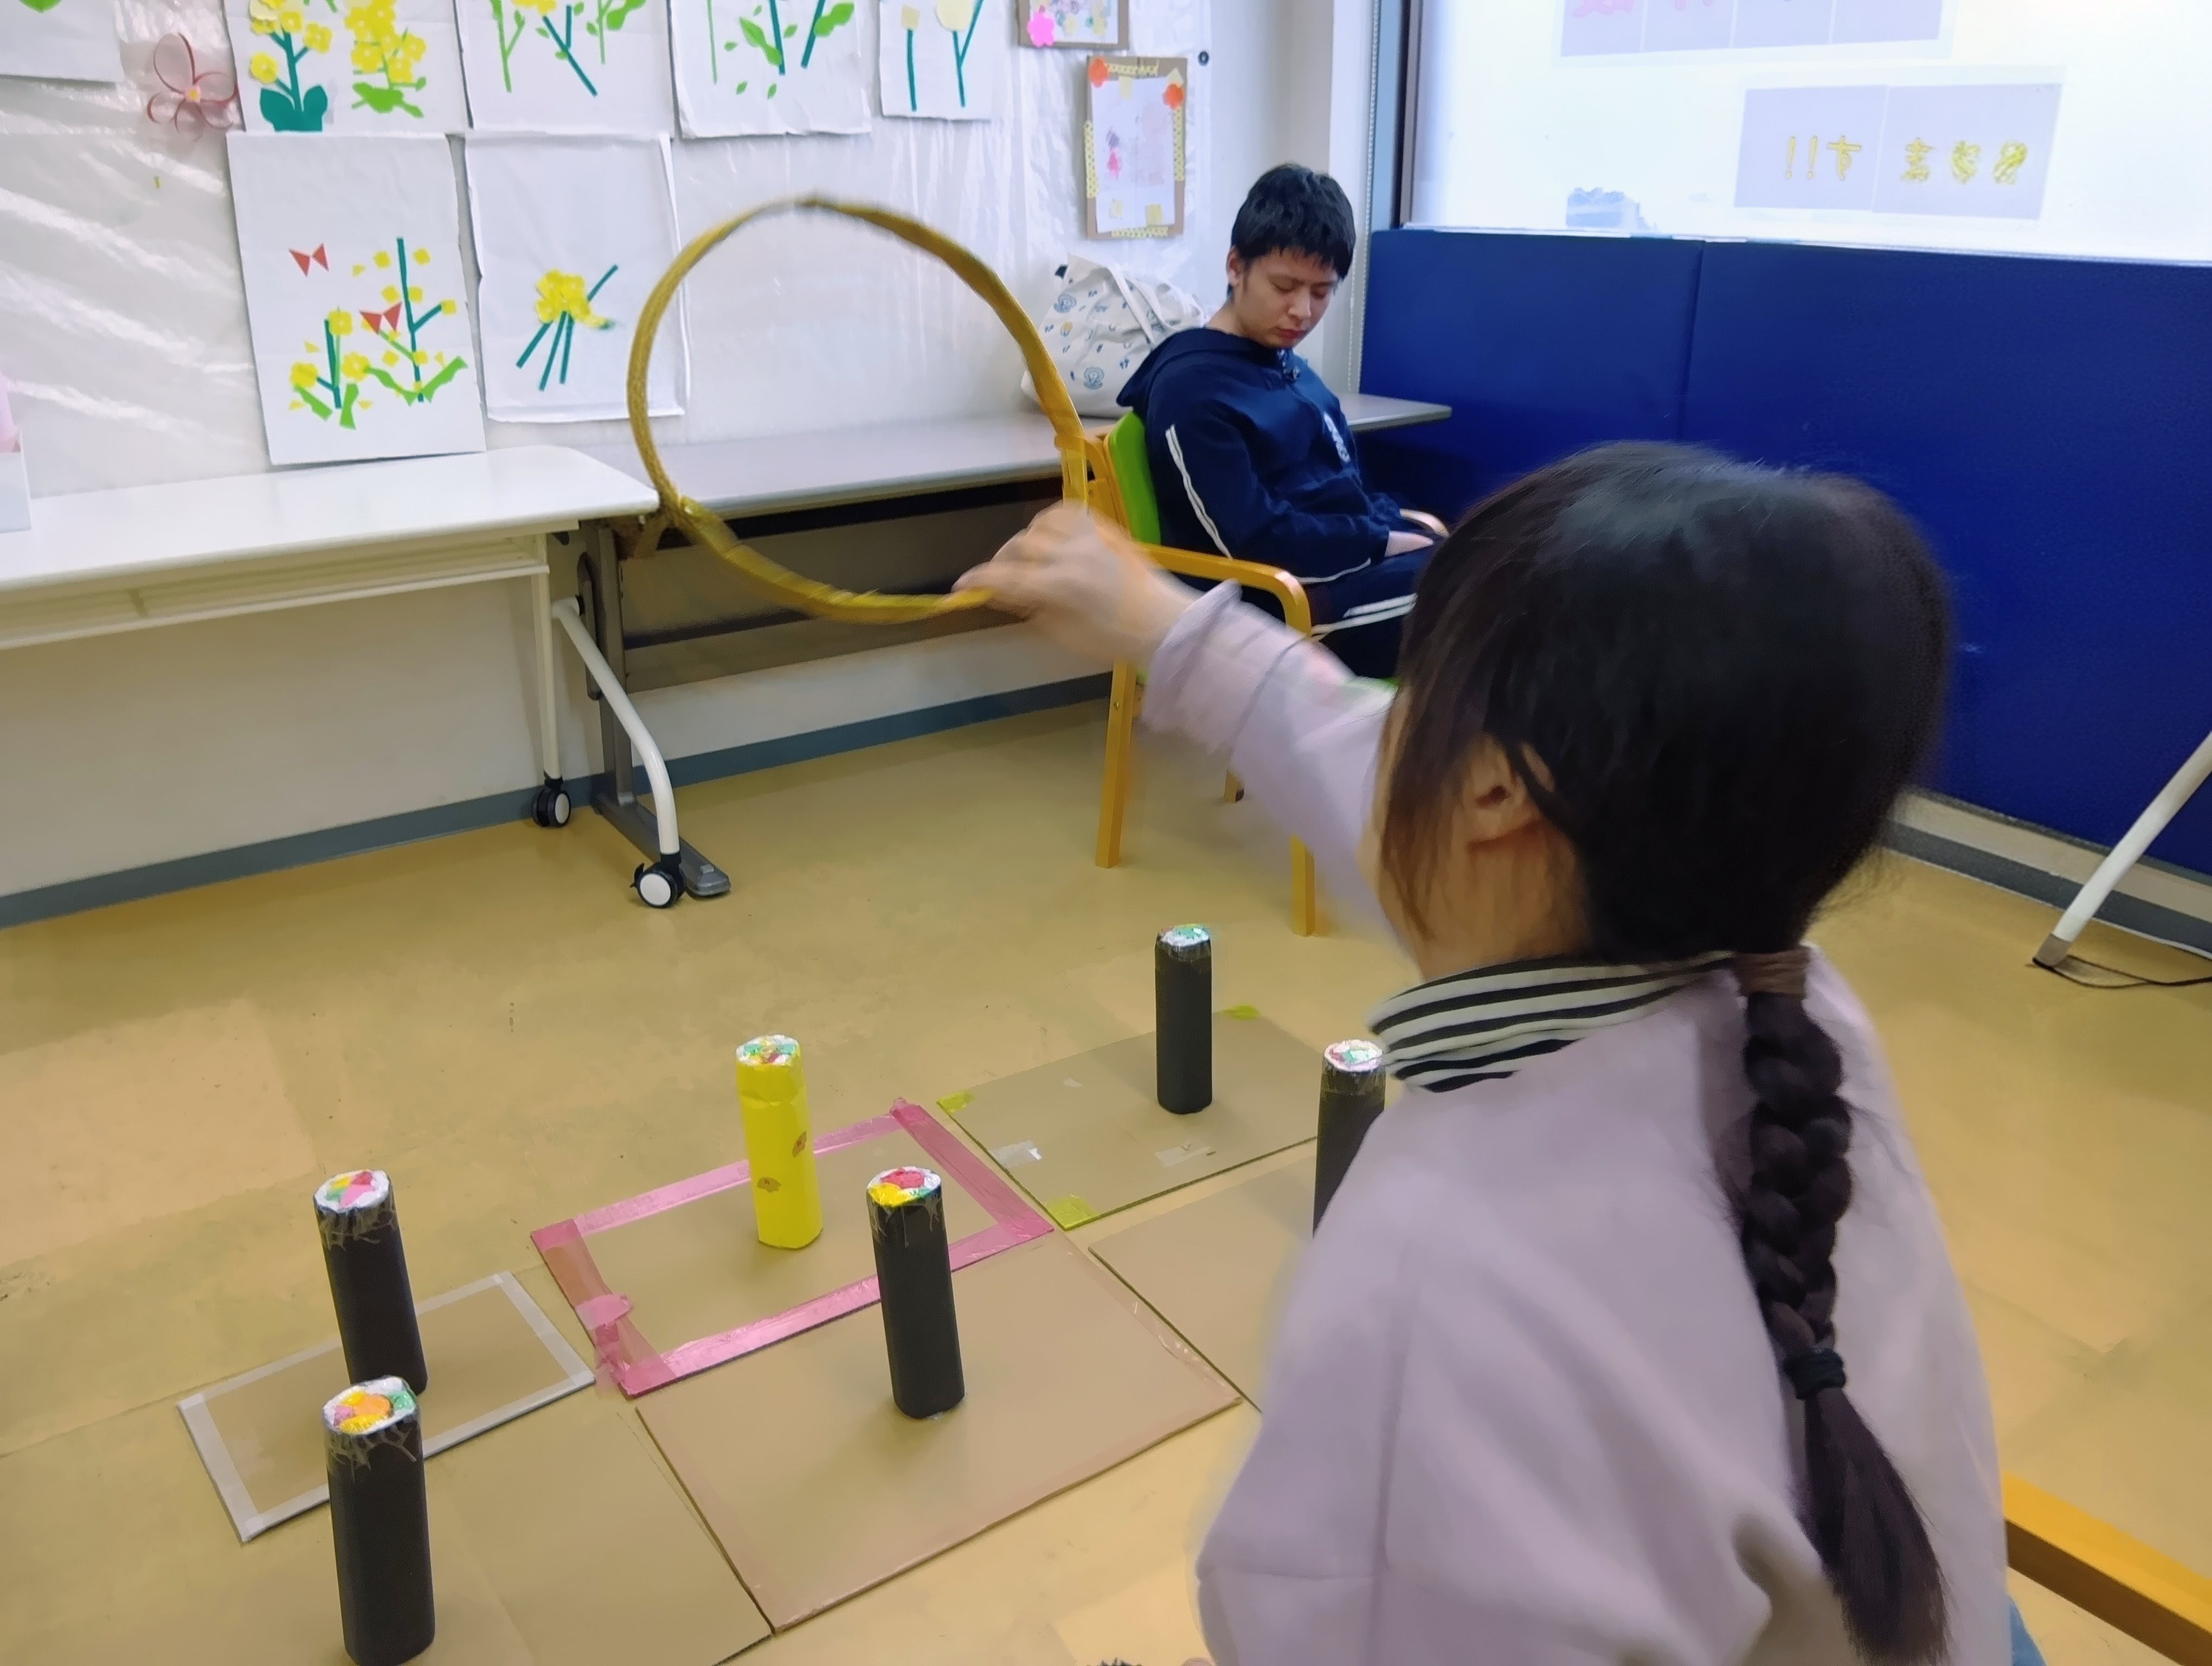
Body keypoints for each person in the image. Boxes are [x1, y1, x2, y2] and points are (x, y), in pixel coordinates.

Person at [961, 445, 2011, 1665]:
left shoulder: (1435, 1311)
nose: (1379, 727)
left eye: (1413, 693)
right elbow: (1368, 766)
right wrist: (1158, 622)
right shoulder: (1796, 1004)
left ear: (1500, 795)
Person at [1117, 163, 1438, 679]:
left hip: (1338, 578)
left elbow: (1346, 491)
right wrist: (1378, 542)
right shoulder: (1191, 389)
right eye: (1285, 286)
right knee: (1492, 597)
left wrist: (1392, 533)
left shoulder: (1289, 368)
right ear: (1235, 267)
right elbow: (1251, 540)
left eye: (1321, 292)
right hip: (1276, 610)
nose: (1302, 311)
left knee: (1500, 562)